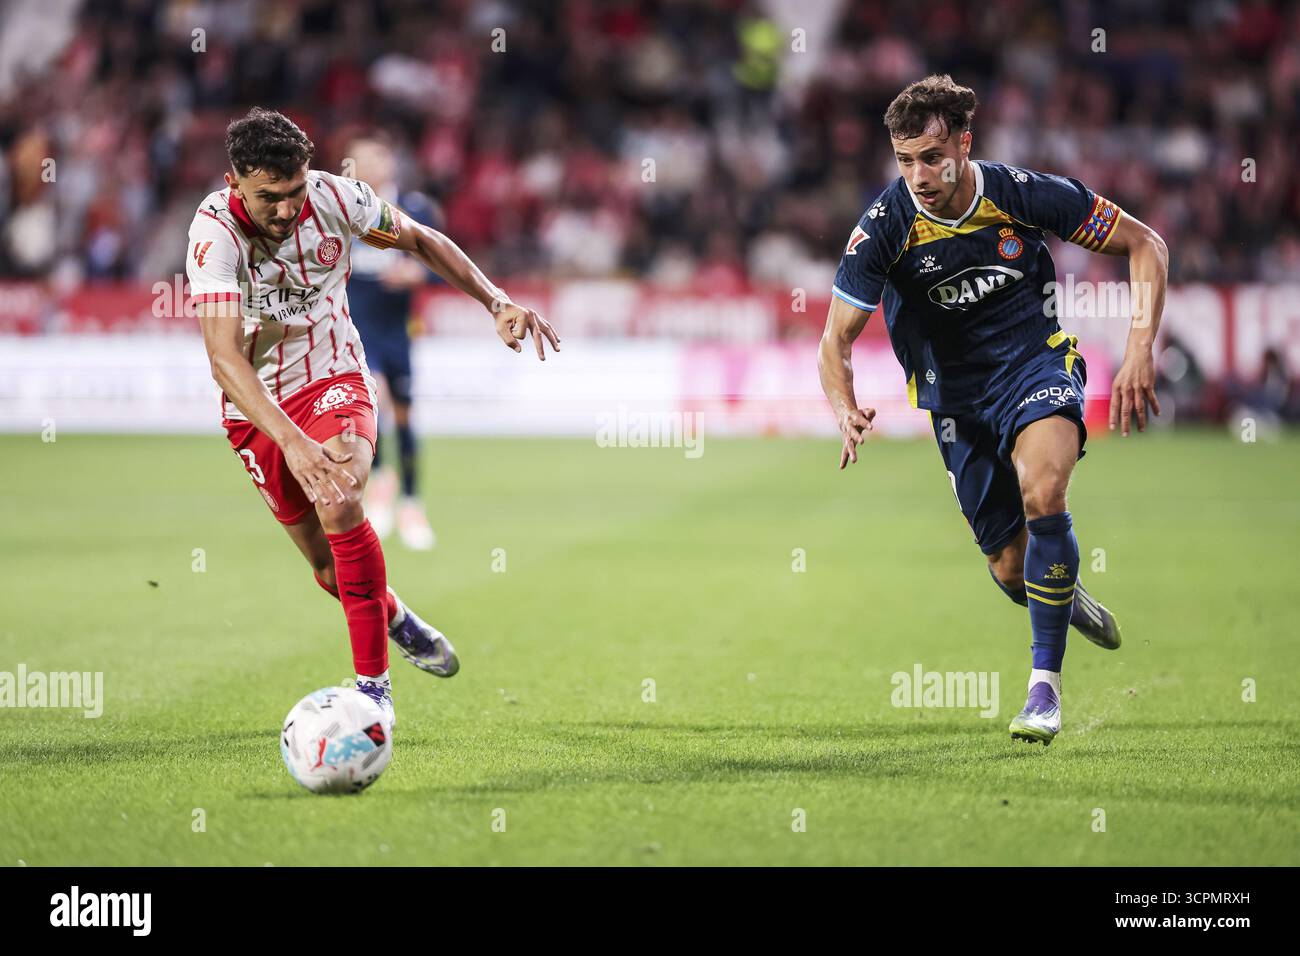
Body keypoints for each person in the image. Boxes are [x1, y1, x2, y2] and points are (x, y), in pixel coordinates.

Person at [818, 76, 1167, 745]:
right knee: (1011, 569)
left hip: (1034, 365)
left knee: (1045, 489)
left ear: (964, 143)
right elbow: (834, 339)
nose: (918, 175)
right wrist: (842, 404)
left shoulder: (1022, 194)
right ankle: (1061, 597)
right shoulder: (886, 226)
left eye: (930, 157)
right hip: (955, 399)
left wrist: (1140, 346)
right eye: (904, 160)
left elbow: (1145, 244)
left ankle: (1044, 691)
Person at [186, 108, 560, 730]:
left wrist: (496, 301)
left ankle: (372, 690)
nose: (285, 210)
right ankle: (393, 615)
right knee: (330, 569)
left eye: (294, 191)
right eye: (268, 197)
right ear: (234, 183)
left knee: (340, 497)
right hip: (257, 403)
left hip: (333, 372)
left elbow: (418, 239)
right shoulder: (213, 233)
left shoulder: (339, 198)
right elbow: (224, 359)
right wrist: (291, 441)